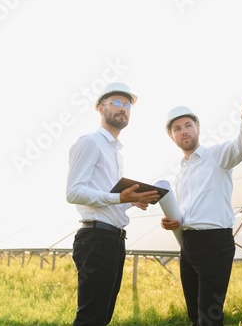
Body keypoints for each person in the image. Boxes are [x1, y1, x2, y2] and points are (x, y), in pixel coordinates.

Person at [161, 94, 242, 326]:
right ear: (172, 136)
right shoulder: (182, 171)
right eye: (177, 128)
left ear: (198, 128)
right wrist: (172, 221)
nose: (183, 131)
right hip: (187, 244)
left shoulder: (217, 156)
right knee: (194, 315)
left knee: (210, 315)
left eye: (188, 125)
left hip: (215, 243)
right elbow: (187, 212)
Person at [66, 82, 159, 326]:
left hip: (114, 240)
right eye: (116, 103)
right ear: (100, 109)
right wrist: (120, 198)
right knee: (91, 317)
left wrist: (133, 200)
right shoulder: (90, 143)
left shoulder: (116, 152)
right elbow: (74, 192)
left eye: (127, 105)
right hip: (96, 239)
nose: (123, 109)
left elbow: (106, 198)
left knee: (102, 317)